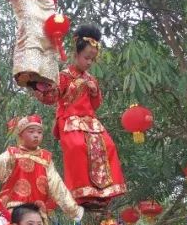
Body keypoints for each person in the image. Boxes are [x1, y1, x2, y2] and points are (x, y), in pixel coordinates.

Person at [35, 25, 126, 208]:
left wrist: (94, 92)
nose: (89, 62)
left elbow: (96, 104)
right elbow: (53, 97)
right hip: (69, 120)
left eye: (92, 59)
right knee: (77, 147)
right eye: (86, 58)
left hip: (90, 121)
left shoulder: (92, 79)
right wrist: (41, 87)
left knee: (108, 145)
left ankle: (101, 192)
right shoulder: (64, 76)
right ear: (75, 54)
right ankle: (81, 190)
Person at [0, 115, 83, 225]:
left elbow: (56, 185)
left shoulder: (46, 158)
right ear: (20, 135)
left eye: (39, 132)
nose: (36, 135)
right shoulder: (12, 154)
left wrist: (72, 208)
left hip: (37, 214)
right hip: (13, 211)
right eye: (31, 131)